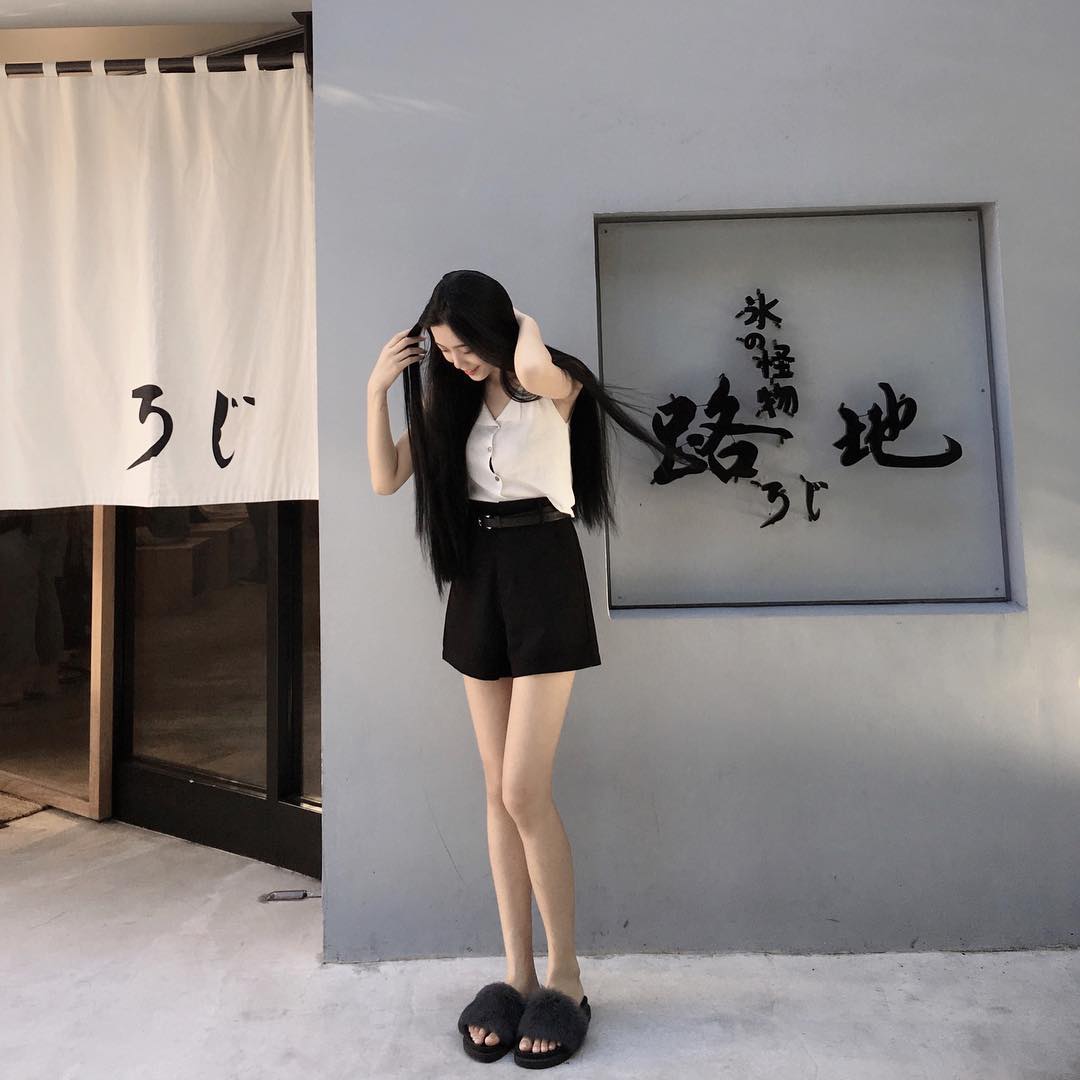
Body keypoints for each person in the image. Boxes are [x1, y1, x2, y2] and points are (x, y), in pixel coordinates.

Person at [366, 270, 696, 1068]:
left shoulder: (554, 383)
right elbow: (385, 478)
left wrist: (521, 327)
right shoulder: (448, 402)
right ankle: (516, 974)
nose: (456, 362)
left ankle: (567, 977)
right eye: (444, 352)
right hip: (477, 579)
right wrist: (378, 390)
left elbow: (535, 366)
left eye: (464, 346)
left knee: (523, 789)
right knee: (495, 789)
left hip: (544, 571)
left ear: (496, 330)